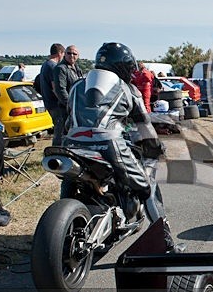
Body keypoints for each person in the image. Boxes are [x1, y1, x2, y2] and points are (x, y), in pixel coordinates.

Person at [64, 42, 174, 249]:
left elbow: (70, 120)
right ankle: (168, 244)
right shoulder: (128, 89)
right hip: (109, 144)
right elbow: (144, 125)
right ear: (122, 66)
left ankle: (70, 222)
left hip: (71, 142)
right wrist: (154, 148)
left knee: (71, 178)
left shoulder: (77, 85)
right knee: (146, 186)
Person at [53, 45, 83, 143]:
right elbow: (60, 90)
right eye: (69, 53)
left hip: (76, 107)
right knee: (62, 134)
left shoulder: (77, 68)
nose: (71, 55)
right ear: (64, 54)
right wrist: (70, 105)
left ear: (78, 56)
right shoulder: (61, 68)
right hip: (65, 108)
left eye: (74, 53)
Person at [38, 43, 66, 144]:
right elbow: (56, 88)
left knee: (58, 128)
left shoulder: (45, 65)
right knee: (60, 130)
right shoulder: (53, 67)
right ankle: (57, 151)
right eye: (64, 54)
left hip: (48, 102)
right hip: (56, 104)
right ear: (60, 53)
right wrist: (65, 102)